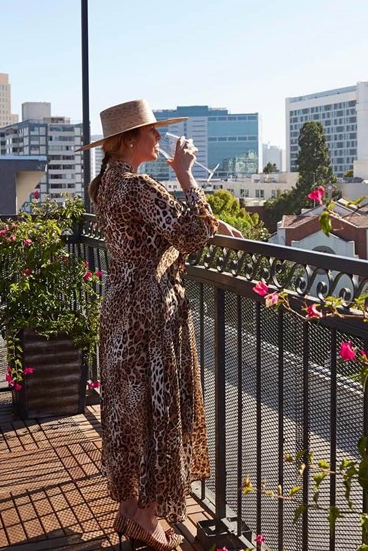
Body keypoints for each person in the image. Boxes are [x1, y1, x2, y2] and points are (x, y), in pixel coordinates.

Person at [79, 100, 242, 550]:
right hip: (151, 313)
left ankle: (131, 508)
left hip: (120, 307)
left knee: (129, 410)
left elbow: (164, 228)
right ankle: (148, 516)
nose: (158, 137)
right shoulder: (137, 187)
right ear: (129, 139)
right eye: (151, 131)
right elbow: (190, 234)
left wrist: (211, 219)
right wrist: (186, 175)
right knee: (158, 411)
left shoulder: (106, 185)